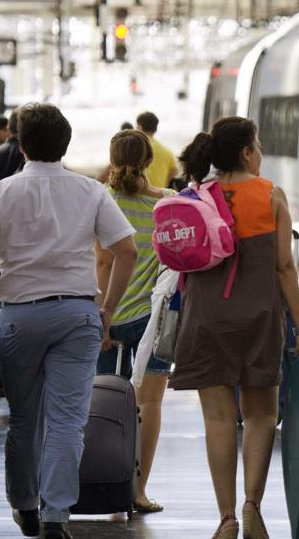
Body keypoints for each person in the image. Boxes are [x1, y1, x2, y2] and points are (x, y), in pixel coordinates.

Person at [0, 102, 139, 539]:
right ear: (66, 143)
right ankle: (57, 513)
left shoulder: (1, 193)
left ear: (20, 144)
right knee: (67, 421)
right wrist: (108, 308)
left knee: (24, 419)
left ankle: (25, 506)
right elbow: (126, 250)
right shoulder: (90, 192)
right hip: (77, 314)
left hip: (20, 316)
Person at [171, 116, 299, 539]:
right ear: (247, 153)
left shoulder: (194, 196)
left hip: (204, 320)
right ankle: (252, 507)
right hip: (259, 318)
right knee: (261, 415)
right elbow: (284, 267)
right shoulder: (270, 194)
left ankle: (227, 518)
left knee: (218, 421)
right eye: (259, 144)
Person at [94, 129, 174, 514]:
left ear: (112, 159)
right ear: (148, 161)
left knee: (103, 402)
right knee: (150, 404)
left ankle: (105, 482)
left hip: (107, 316)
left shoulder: (102, 202)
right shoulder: (168, 205)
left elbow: (104, 262)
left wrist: (102, 317)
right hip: (152, 320)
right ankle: (138, 491)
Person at [136, 111, 178, 189]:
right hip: (158, 196)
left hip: (139, 194)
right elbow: (174, 170)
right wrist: (165, 183)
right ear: (155, 129)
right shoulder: (167, 152)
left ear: (140, 127)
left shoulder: (135, 147)